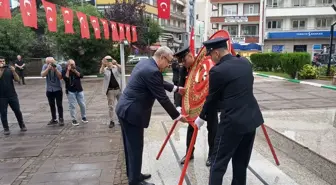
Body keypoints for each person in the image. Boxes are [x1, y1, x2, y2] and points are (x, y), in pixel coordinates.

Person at [194, 37, 264, 185]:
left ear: (217, 53)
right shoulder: (245, 63)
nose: (211, 60)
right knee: (240, 164)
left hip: (232, 123)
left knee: (218, 164)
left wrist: (201, 117)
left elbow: (212, 98)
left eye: (211, 56)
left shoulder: (218, 71)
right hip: (251, 120)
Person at [116, 46, 188, 185]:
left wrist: (176, 89)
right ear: (162, 57)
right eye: (168, 61)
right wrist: (177, 116)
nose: (168, 65)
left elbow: (158, 82)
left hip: (125, 109)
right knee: (135, 147)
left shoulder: (146, 63)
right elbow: (163, 98)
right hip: (132, 113)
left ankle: (134, 173)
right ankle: (135, 181)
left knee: (129, 146)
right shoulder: (152, 71)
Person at [174, 46, 217, 167]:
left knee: (213, 129)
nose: (183, 64)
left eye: (184, 60)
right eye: (181, 62)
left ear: (190, 55)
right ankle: (189, 153)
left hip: (209, 103)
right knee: (191, 129)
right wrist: (178, 106)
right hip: (193, 105)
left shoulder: (204, 63)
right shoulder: (184, 70)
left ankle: (212, 155)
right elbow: (180, 88)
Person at [0, 56, 27, 135]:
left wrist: (14, 71)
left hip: (12, 94)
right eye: (0, 61)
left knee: (17, 111)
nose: (2, 63)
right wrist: (1, 69)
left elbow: (17, 79)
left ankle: (22, 125)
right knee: (3, 112)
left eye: (3, 61)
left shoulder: (9, 69)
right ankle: (6, 128)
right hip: (1, 96)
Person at [62, 59, 88, 126]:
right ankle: (74, 119)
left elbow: (81, 76)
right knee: (72, 106)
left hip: (79, 90)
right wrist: (68, 70)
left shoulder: (77, 68)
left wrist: (75, 70)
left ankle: (84, 117)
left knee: (82, 104)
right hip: (70, 90)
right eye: (71, 64)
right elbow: (65, 78)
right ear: (68, 64)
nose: (73, 65)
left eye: (74, 64)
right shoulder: (64, 70)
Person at [41, 57, 64, 126]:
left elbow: (60, 77)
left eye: (51, 63)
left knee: (59, 104)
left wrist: (55, 70)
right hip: (49, 89)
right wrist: (48, 68)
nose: (50, 64)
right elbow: (42, 75)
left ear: (54, 62)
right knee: (51, 105)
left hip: (58, 89)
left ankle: (61, 118)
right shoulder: (45, 66)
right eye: (48, 63)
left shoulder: (58, 66)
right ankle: (54, 119)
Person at [99, 56, 121, 128]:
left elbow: (122, 69)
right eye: (107, 60)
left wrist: (116, 63)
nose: (108, 61)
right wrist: (103, 64)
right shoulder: (105, 69)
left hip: (119, 90)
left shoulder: (116, 67)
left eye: (109, 59)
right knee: (111, 106)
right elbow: (101, 73)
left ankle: (121, 119)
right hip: (110, 91)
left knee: (121, 105)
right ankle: (112, 121)